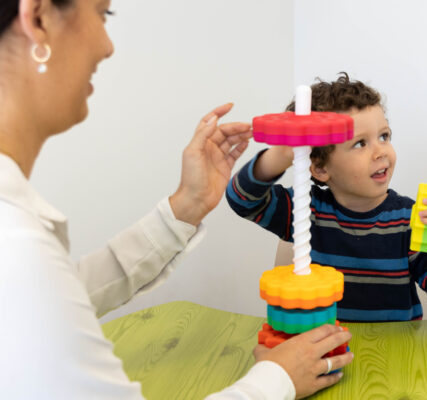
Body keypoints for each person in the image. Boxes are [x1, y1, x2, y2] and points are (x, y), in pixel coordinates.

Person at [0, 0, 353, 399]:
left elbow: (63, 298)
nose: (107, 45)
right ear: (38, 17)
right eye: (103, 14)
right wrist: (277, 380)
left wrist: (186, 205)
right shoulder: (16, 246)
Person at [226, 73, 427, 322]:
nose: (380, 152)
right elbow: (242, 199)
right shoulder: (305, 210)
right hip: (326, 353)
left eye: (384, 136)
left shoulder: (409, 218)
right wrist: (282, 155)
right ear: (320, 168)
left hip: (396, 354)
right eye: (360, 144)